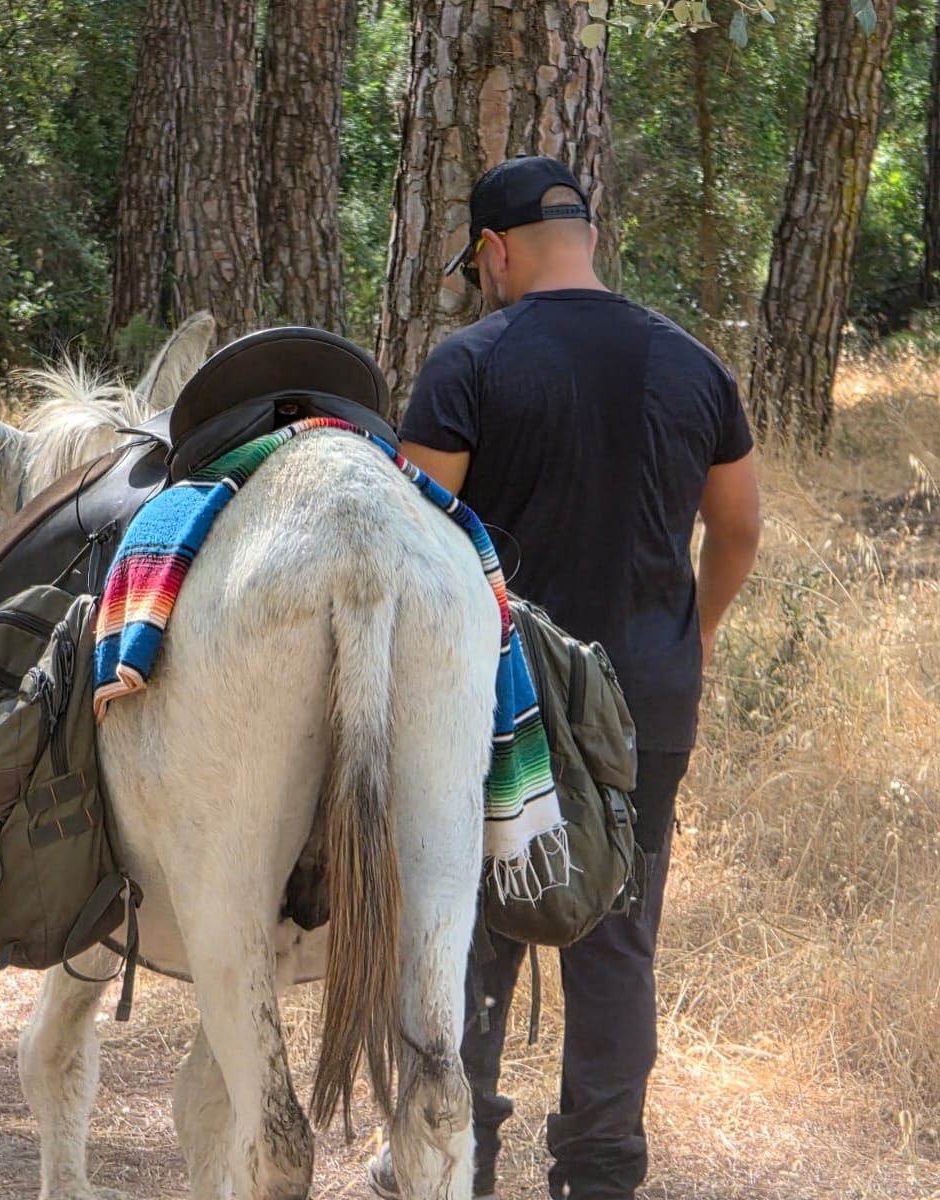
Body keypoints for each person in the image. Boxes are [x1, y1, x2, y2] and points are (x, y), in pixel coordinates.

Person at [366, 156, 761, 1200]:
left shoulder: (469, 366)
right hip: (648, 699)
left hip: (498, 707)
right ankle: (599, 1168)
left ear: (493, 252)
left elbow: (417, 548)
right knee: (617, 939)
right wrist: (694, 634)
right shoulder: (693, 365)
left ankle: (464, 1159)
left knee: (479, 930)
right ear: (586, 238)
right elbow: (736, 529)